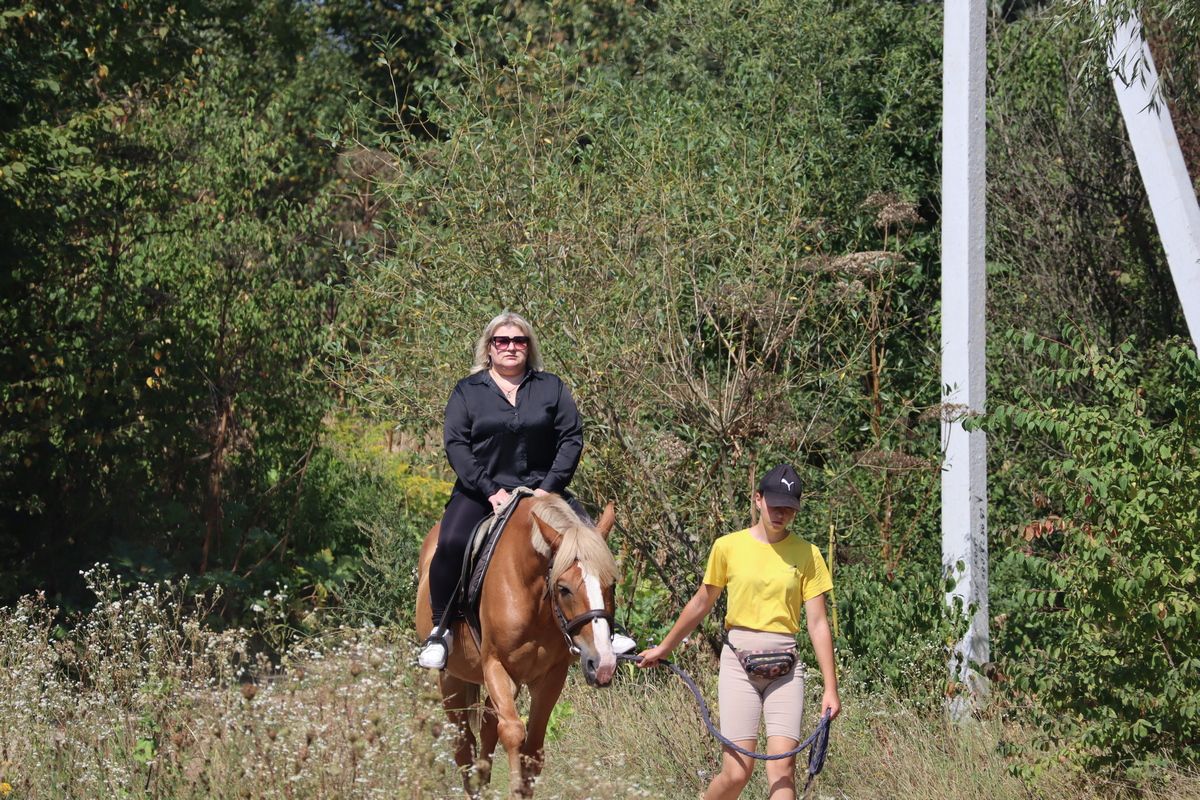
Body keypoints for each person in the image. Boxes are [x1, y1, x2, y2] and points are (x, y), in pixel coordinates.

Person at [418, 311, 634, 669]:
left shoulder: (551, 387)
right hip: (480, 492)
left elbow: (571, 438)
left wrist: (548, 489)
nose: (511, 347)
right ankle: (441, 631)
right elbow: (456, 445)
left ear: (529, 347)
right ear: (489, 348)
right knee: (452, 543)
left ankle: (608, 629)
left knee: (592, 546)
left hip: (544, 491)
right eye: (502, 341)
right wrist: (490, 490)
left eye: (519, 340)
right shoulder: (467, 391)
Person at [637, 464, 840, 800]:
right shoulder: (728, 547)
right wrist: (664, 647)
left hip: (786, 668)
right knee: (736, 773)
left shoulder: (808, 554)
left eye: (789, 508)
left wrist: (831, 689)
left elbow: (818, 623)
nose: (781, 514)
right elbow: (701, 602)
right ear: (758, 499)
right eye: (775, 505)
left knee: (783, 770)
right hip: (738, 665)